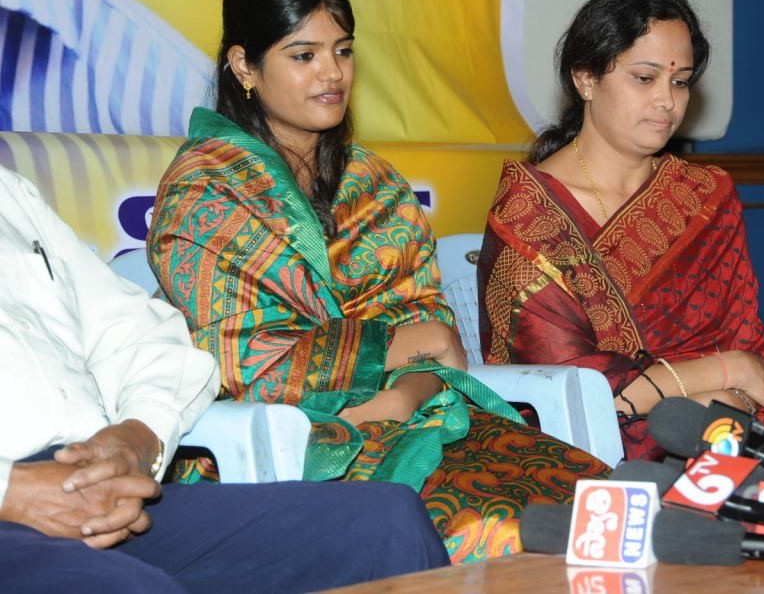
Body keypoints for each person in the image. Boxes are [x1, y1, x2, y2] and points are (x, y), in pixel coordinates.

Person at [146, 0, 608, 564]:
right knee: (513, 532)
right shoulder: (205, 191)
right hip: (279, 452)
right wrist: (401, 355)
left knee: (597, 498)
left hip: (421, 416)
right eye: (303, 55)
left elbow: (434, 332)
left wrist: (405, 392)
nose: (332, 73)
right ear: (244, 65)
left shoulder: (371, 182)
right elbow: (239, 361)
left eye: (343, 49)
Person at [0, 164, 450, 593]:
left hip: (98, 479)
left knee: (388, 522)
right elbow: (237, 350)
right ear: (245, 76)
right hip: (13, 504)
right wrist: (10, 493)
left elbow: (142, 336)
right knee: (128, 586)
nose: (331, 76)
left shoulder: (12, 195)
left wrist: (138, 436)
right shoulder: (204, 188)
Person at [478, 0, 764, 462]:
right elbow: (576, 388)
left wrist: (733, 381)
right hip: (585, 442)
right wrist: (729, 370)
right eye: (644, 78)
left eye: (679, 82)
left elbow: (749, 348)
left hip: (727, 418)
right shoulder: (529, 216)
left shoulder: (703, 197)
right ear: (586, 80)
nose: (666, 101)